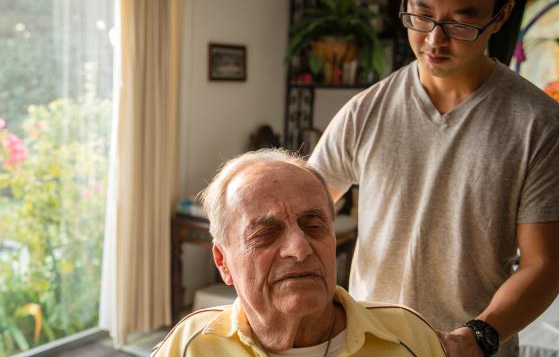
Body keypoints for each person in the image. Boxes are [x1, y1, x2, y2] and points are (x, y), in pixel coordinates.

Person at [308, 0, 559, 356]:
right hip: (368, 344)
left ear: (501, 16)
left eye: (459, 23)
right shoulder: (366, 110)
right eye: (421, 16)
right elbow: (305, 208)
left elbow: (542, 267)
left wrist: (477, 337)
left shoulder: (541, 125)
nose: (434, 40)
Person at [151, 149, 447, 357]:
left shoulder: (409, 337)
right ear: (222, 262)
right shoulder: (192, 346)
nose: (299, 249)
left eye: (314, 225)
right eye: (265, 234)